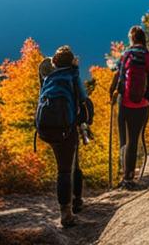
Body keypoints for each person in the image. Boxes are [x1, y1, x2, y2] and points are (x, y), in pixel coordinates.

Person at [36, 46, 92, 227]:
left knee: (63, 167)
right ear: (71, 62)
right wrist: (75, 70)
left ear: (55, 64)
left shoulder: (48, 78)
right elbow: (83, 98)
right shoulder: (72, 76)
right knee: (67, 170)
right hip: (66, 129)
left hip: (47, 130)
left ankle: (71, 205)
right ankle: (67, 213)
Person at [109, 26, 149, 189]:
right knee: (134, 139)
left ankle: (125, 175)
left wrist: (112, 93)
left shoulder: (126, 55)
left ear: (132, 39)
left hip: (124, 102)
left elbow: (118, 74)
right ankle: (129, 175)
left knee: (124, 139)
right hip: (142, 104)